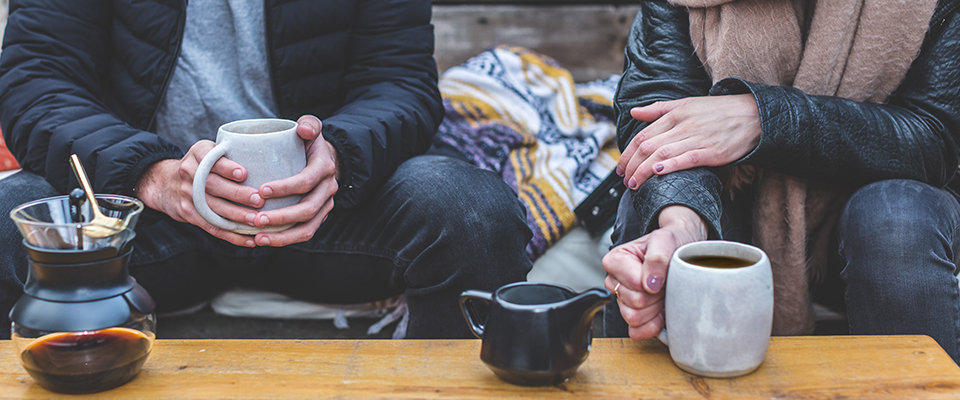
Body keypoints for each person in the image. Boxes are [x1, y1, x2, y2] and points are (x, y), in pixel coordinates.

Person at [0, 0, 533, 339]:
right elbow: (36, 82)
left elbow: (401, 82)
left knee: (471, 210)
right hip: (148, 221)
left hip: (325, 212)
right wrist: (149, 175)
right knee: (12, 211)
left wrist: (340, 157)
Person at [602, 0, 960, 363]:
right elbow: (658, 120)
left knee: (895, 220)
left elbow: (936, 137)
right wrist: (682, 223)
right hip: (738, 208)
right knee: (650, 215)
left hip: (861, 222)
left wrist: (763, 120)